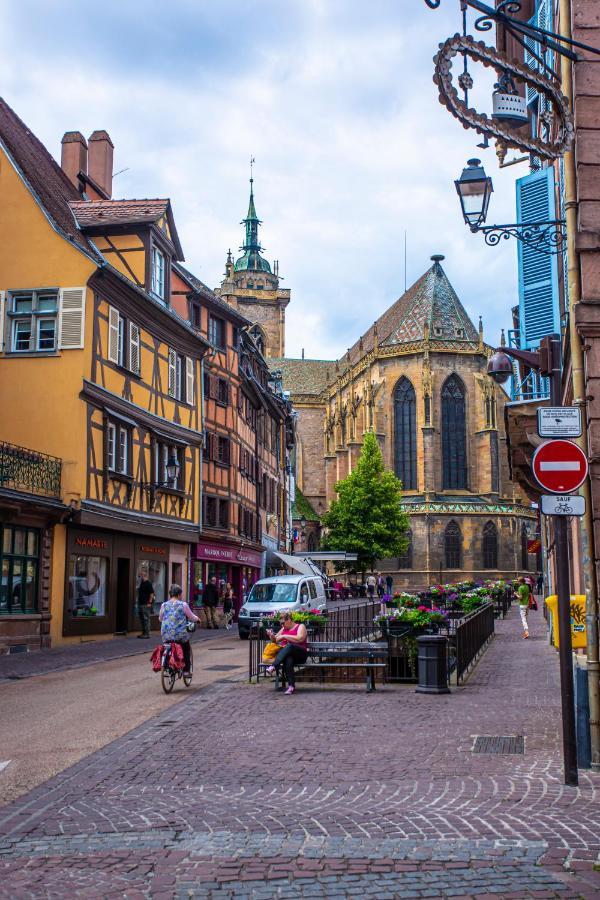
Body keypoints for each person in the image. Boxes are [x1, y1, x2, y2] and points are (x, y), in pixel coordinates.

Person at [158, 584, 199, 676]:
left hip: (166, 634)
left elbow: (160, 619)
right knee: (186, 647)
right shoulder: (183, 605)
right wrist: (198, 619)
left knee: (168, 645)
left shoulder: (163, 605)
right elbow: (192, 617)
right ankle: (186, 670)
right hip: (179, 634)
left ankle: (168, 664)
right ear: (179, 594)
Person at [265, 611, 308, 695]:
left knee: (289, 646)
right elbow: (275, 641)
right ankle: (291, 687)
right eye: (280, 623)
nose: (282, 625)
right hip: (289, 655)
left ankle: (274, 665)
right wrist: (271, 636)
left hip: (300, 654)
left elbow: (300, 639)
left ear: (289, 620)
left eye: (283, 623)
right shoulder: (283, 629)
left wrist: (285, 636)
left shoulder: (300, 626)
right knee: (288, 660)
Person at [137, 568, 155, 639]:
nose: (140, 576)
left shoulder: (148, 583)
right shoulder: (142, 583)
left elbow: (152, 593)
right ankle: (143, 633)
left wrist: (149, 602)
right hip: (141, 603)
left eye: (141, 575)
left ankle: (147, 634)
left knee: (146, 619)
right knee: (142, 618)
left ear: (144, 575)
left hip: (145, 604)